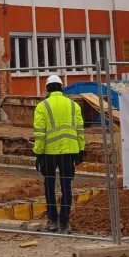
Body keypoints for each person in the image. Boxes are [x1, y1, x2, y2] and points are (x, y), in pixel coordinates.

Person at [33, 74, 86, 234]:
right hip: (69, 152)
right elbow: (79, 130)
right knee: (66, 187)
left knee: (49, 186)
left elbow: (40, 133)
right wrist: (80, 150)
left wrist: (38, 153)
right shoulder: (73, 105)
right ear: (61, 87)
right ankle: (64, 224)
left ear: (47, 88)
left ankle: (53, 221)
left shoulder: (42, 106)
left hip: (49, 153)